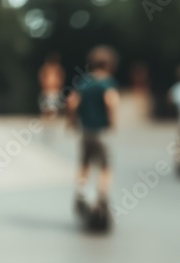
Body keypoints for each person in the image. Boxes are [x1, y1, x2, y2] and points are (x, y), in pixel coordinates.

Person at [65, 45, 120, 230]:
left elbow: (71, 102)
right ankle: (102, 197)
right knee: (105, 166)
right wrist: (112, 120)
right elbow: (110, 100)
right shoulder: (107, 82)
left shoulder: (83, 82)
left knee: (85, 163)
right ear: (109, 64)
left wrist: (72, 122)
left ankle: (81, 192)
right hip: (101, 132)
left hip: (85, 131)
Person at [38, 52, 65, 119]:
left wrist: (59, 86)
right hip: (47, 90)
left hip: (55, 90)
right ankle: (46, 117)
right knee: (45, 105)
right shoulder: (45, 67)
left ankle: (54, 116)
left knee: (55, 106)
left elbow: (61, 78)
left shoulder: (58, 68)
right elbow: (41, 77)